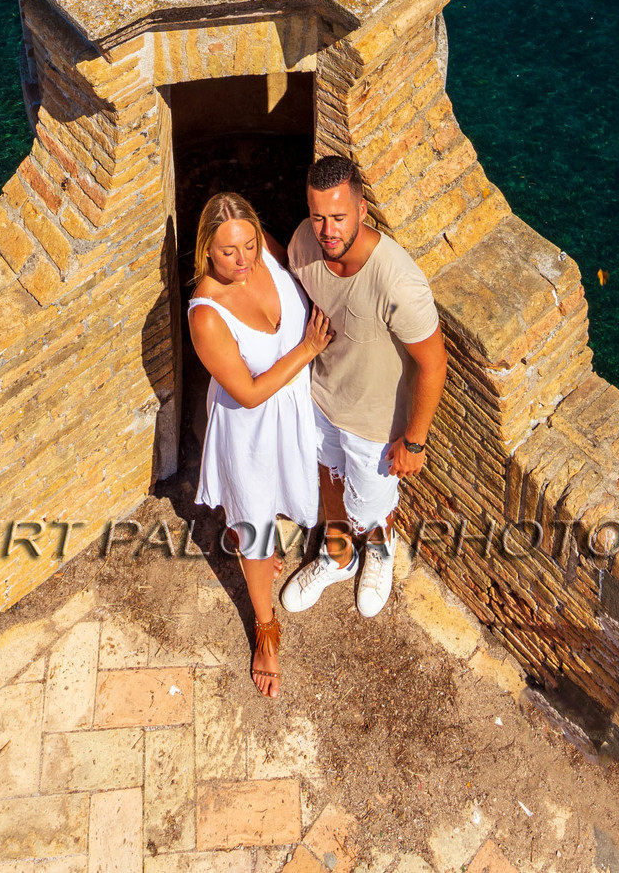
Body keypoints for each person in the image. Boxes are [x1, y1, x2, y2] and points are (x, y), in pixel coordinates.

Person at [281, 153, 448, 620]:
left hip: (375, 423)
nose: (327, 230)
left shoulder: (397, 282)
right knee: (329, 481)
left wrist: (414, 441)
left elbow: (434, 363)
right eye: (318, 217)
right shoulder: (304, 241)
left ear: (362, 211)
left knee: (374, 504)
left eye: (338, 217)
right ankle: (338, 557)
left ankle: (379, 551)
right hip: (321, 398)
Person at [187, 190, 333, 698]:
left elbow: (304, 280)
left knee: (274, 506)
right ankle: (266, 629)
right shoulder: (206, 315)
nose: (243, 259)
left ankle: (253, 544)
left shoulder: (264, 249)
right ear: (206, 249)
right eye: (228, 251)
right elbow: (247, 394)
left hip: (293, 408)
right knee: (255, 528)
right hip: (249, 427)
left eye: (248, 245)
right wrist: (309, 348)